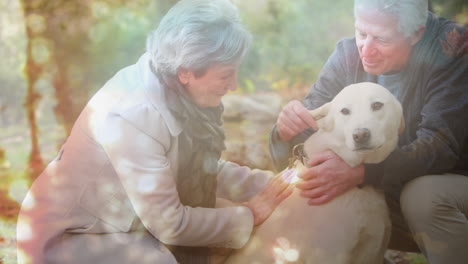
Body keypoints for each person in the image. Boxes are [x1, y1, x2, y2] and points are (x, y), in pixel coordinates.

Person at [16, 0, 294, 263]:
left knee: (230, 232)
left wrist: (276, 185)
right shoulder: (133, 114)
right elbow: (170, 224)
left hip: (123, 221)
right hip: (71, 237)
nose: (233, 85)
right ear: (186, 71)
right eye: (225, 75)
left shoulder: (174, 83)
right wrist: (250, 214)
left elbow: (201, 169)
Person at [270, 0, 468, 263]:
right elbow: (310, 130)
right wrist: (285, 133)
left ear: (417, 32)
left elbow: (439, 146)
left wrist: (364, 173)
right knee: (325, 184)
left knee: (423, 195)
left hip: (452, 181)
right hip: (396, 181)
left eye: (382, 39)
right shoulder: (347, 54)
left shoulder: (453, 51)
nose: (366, 49)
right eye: (361, 33)